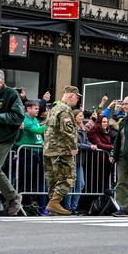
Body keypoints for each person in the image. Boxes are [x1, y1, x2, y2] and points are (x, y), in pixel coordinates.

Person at [0, 69, 24, 218]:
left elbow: (18, 117)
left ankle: (13, 197)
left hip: (5, 138)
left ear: (1, 82)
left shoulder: (11, 94)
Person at [43, 87, 81, 215]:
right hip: (61, 149)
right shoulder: (65, 109)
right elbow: (68, 131)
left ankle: (54, 205)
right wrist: (73, 146)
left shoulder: (54, 109)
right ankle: (55, 202)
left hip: (49, 149)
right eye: (77, 97)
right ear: (71, 96)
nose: (77, 100)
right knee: (68, 176)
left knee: (53, 178)